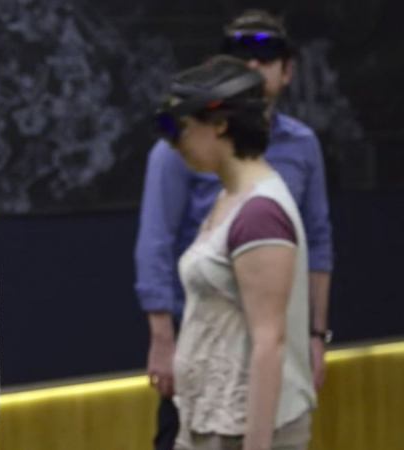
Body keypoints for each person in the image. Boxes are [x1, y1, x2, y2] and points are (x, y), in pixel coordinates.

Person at [134, 10, 333, 450]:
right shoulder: (231, 195)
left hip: (240, 418)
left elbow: (269, 340)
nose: (176, 144)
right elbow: (156, 243)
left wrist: (317, 335)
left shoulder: (260, 211)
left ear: (220, 124)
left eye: (184, 130)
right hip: (209, 406)